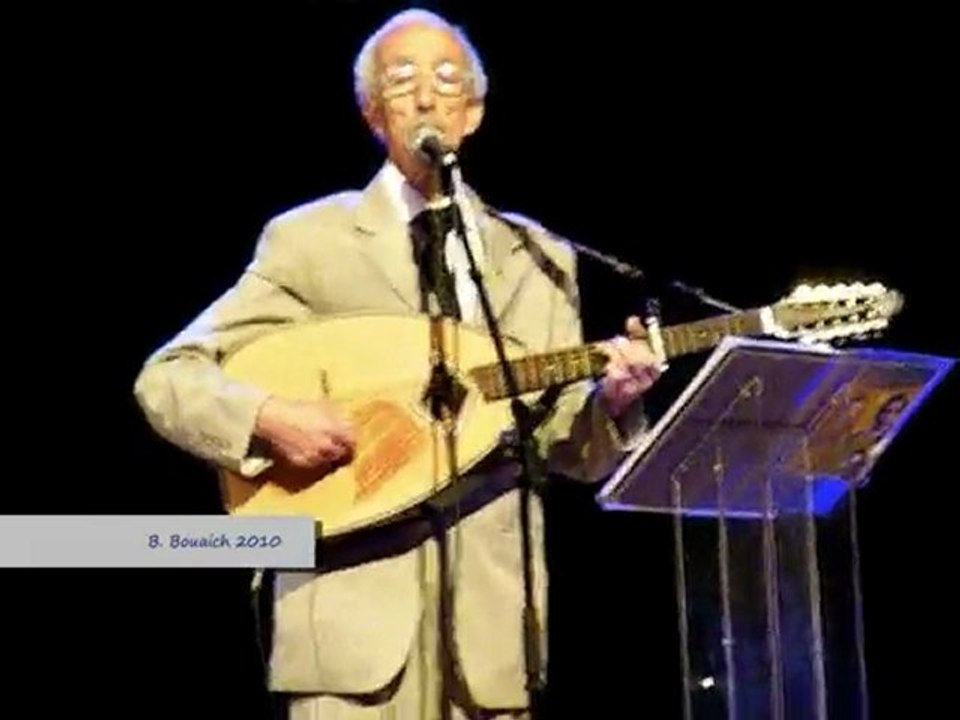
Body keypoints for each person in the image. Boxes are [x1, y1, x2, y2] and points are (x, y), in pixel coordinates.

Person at [133, 8, 662, 720]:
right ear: (372, 111)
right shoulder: (310, 242)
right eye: (401, 79)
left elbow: (571, 449)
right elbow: (171, 377)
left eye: (447, 80)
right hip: (351, 635)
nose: (424, 95)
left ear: (472, 112)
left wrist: (615, 401)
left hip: (494, 640)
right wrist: (268, 418)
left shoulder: (538, 259)